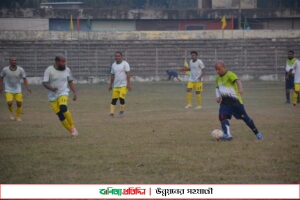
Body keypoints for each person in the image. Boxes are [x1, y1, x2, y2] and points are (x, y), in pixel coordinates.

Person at [215, 61, 264, 141]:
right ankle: (227, 134)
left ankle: (257, 133)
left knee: (246, 118)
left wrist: (240, 88)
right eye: (216, 69)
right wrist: (218, 96)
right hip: (225, 102)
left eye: (219, 69)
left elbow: (238, 81)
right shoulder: (217, 78)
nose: (217, 71)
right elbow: (217, 88)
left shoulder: (230, 74)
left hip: (235, 101)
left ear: (224, 67)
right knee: (222, 116)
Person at [42, 55, 78, 137]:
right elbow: (44, 83)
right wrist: (52, 89)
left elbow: (70, 81)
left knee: (63, 108)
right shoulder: (49, 70)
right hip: (52, 96)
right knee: (60, 115)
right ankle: (71, 130)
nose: (64, 63)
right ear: (57, 62)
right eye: (62, 61)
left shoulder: (67, 70)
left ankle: (72, 126)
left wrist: (74, 92)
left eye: (65, 61)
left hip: (63, 92)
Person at [0, 57, 31, 121]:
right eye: (12, 60)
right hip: (8, 89)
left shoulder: (20, 69)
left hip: (18, 89)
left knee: (19, 103)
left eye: (15, 60)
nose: (14, 61)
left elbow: (24, 78)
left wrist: (27, 88)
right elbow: (1, 77)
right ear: (10, 61)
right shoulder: (5, 69)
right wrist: (1, 86)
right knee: (9, 103)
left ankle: (18, 116)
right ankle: (11, 113)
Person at [108, 51, 131, 117]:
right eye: (116, 56)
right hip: (116, 85)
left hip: (123, 85)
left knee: (121, 97)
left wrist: (128, 84)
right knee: (114, 99)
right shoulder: (113, 65)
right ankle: (111, 113)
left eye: (118, 56)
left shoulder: (125, 64)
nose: (117, 57)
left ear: (121, 57)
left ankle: (122, 111)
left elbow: (128, 74)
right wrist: (110, 85)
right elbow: (112, 75)